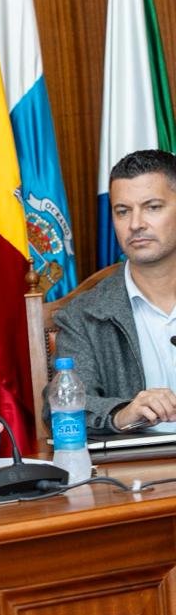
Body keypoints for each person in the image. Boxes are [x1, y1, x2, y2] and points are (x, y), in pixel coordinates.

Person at [52, 149, 176, 432]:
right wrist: (121, 414)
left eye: (153, 207)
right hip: (134, 469)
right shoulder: (82, 315)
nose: (135, 224)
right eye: (123, 211)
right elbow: (62, 407)